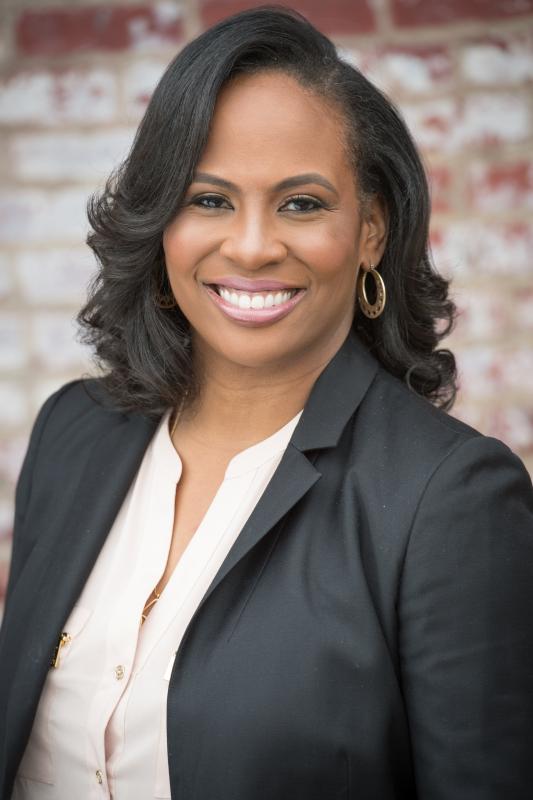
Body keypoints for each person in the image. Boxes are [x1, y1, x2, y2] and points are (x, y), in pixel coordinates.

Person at [1, 5, 532, 799]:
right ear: (161, 222)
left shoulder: (448, 502)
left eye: (302, 203)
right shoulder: (76, 431)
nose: (251, 246)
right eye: (209, 200)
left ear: (371, 232)